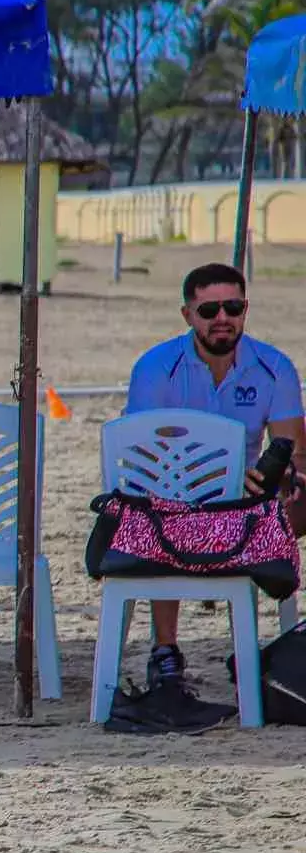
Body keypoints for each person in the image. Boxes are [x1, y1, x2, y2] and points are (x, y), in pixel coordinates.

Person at [123, 261, 305, 688]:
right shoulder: (154, 368)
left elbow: (291, 449)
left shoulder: (275, 367)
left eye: (233, 307)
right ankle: (165, 648)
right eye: (209, 311)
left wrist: (284, 479)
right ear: (187, 316)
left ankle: (289, 646)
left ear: (245, 309)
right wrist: (220, 474)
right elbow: (145, 452)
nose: (222, 318)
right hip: (172, 493)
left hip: (247, 501)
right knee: (158, 509)